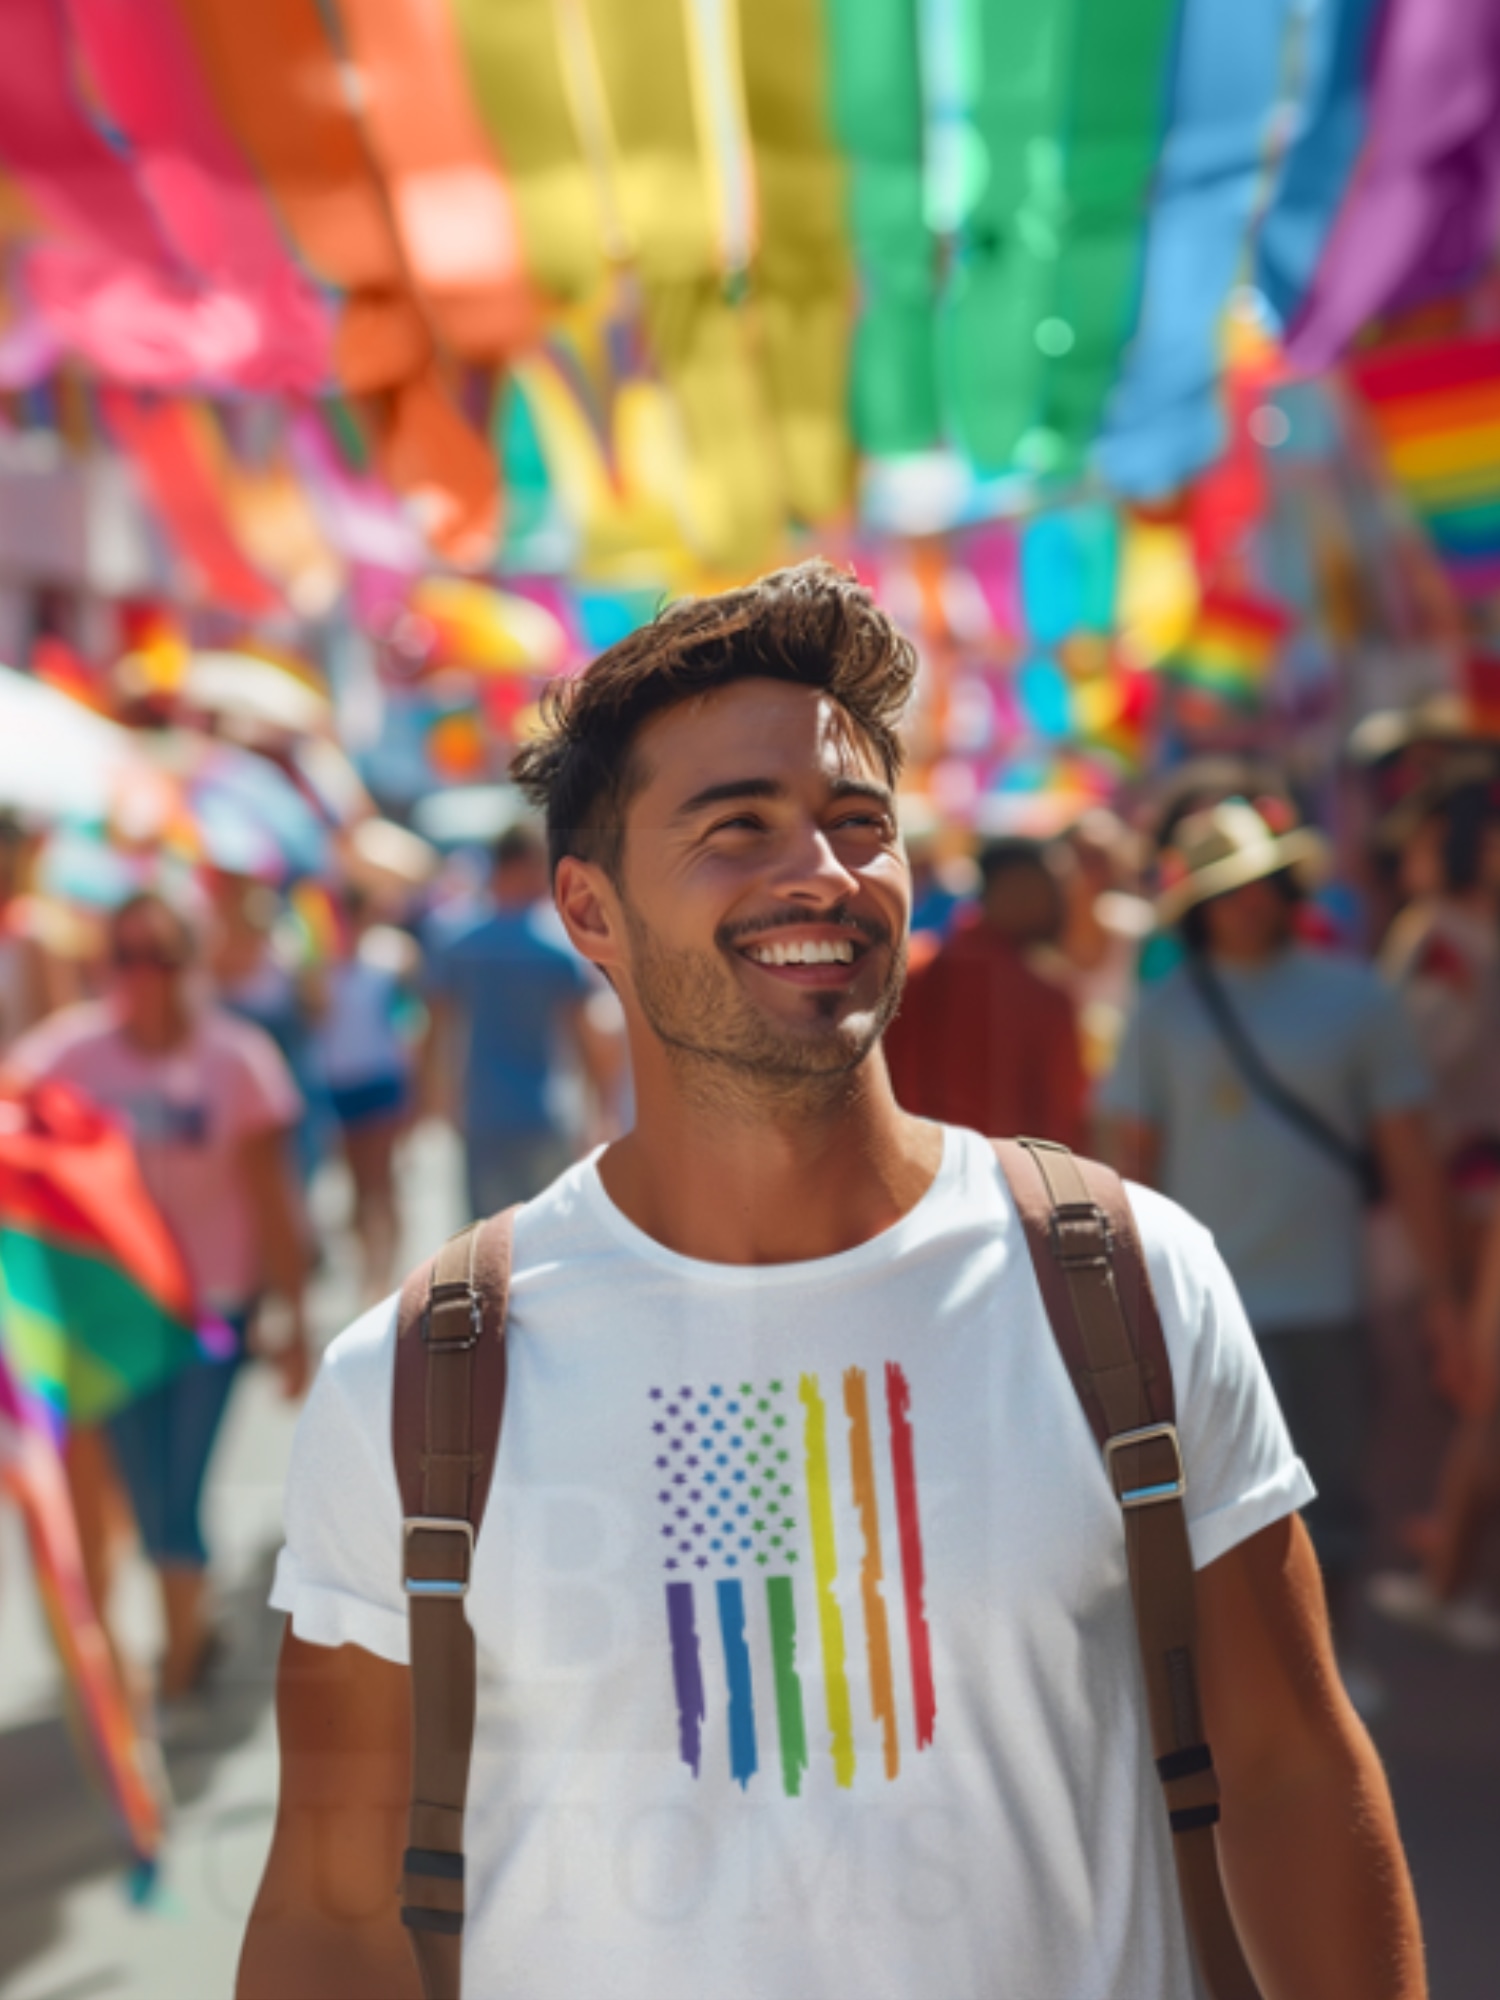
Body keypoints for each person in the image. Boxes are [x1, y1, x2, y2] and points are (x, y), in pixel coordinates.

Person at [242, 564, 1422, 2000]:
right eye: (739, 827)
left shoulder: (1124, 1285)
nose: (826, 870)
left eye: (860, 825)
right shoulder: (419, 1384)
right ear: (591, 913)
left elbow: (1295, 1774)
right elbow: (328, 1906)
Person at [1099, 798, 1458, 1678]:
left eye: (1261, 883)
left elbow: (1408, 1156)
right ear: (1197, 907)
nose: (1249, 903)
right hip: (1202, 1304)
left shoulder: (1356, 1001)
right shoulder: (1164, 1011)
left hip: (1326, 1293)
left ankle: (1330, 1663)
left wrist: (1445, 1298)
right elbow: (1130, 1161)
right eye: (1228, 890)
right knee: (1209, 1499)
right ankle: (1239, 1673)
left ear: (1288, 885)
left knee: (1331, 1488)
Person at [5, 891, 309, 1699]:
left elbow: (274, 1197)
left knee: (176, 1490)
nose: (145, 976)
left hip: (214, 1308)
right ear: (105, 968)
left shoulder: (237, 1059)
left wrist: (295, 1315)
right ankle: (186, 1637)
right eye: (126, 958)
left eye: (163, 956)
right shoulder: (72, 1056)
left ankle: (179, 1668)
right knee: (145, 1491)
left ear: (193, 963)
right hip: (122, 1316)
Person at [424, 821, 611, 1216]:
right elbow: (586, 1037)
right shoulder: (559, 950)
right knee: (547, 1239)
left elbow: (435, 1028)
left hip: (481, 1113)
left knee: (487, 1247)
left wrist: (435, 1096)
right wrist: (601, 1111)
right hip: (546, 1112)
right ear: (525, 866)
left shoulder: (458, 944)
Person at [885, 835, 1087, 1148]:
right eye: (1051, 890)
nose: (1060, 906)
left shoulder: (907, 969)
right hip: (1011, 1185)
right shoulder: (1042, 994)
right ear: (1014, 887)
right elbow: (1061, 1122)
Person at [315, 886, 420, 1304]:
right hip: (339, 1085)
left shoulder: (388, 960)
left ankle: (388, 1273)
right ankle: (369, 1274)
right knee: (357, 1185)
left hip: (381, 1079)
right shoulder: (321, 967)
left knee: (381, 1180)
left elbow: (408, 1020)